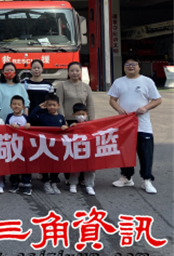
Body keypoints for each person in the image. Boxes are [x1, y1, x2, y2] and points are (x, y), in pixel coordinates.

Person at [109, 56, 162, 194]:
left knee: (145, 153)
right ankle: (126, 177)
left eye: (133, 64)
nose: (130, 66)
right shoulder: (119, 82)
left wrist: (145, 108)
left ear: (139, 66)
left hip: (143, 125)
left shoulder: (147, 81)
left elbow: (157, 100)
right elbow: (112, 99)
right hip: (125, 125)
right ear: (124, 67)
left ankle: (147, 180)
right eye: (127, 64)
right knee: (125, 152)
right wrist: (119, 109)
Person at [29, 94, 68, 195]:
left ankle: (54, 181)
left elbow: (65, 129)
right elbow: (31, 117)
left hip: (57, 145)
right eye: (49, 105)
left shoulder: (60, 117)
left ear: (58, 106)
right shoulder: (42, 116)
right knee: (45, 164)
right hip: (45, 145)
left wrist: (64, 127)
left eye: (54, 105)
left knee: (57, 164)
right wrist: (38, 107)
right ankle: (46, 182)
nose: (52, 107)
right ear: (46, 106)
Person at [68, 103, 96, 196]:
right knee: (75, 168)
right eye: (78, 114)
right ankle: (73, 184)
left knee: (90, 168)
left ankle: (89, 185)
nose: (81, 116)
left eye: (83, 114)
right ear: (74, 115)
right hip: (76, 150)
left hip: (88, 150)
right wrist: (71, 128)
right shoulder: (73, 125)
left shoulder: (90, 125)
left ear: (86, 114)